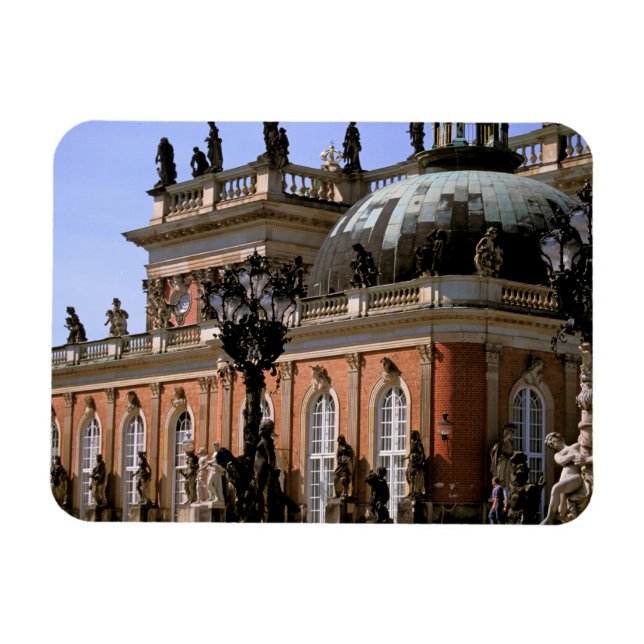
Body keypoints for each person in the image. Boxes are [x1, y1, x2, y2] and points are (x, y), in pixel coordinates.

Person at [540, 432, 590, 524]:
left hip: (575, 478)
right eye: (549, 444)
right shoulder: (557, 454)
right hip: (563, 483)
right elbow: (561, 461)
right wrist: (573, 456)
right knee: (562, 512)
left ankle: (549, 518)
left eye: (550, 439)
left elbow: (585, 453)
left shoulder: (576, 446)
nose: (550, 443)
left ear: (558, 437)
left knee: (555, 488)